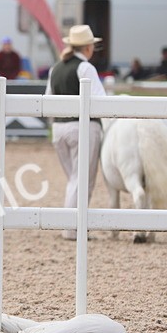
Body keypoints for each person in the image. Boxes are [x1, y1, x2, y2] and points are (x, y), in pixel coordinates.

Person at [44, 25, 107, 239]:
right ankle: (72, 227)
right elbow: (100, 100)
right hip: (82, 127)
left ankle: (71, 224)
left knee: (73, 179)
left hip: (58, 129)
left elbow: (48, 100)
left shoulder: (55, 69)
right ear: (88, 47)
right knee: (82, 180)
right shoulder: (86, 68)